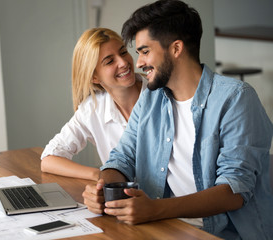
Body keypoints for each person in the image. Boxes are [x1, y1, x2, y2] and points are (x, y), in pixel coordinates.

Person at [82, 1, 273, 239]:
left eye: (145, 51)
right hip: (167, 226)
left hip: (224, 233)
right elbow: (123, 157)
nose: (139, 63)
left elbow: (233, 191)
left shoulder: (236, 99)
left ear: (176, 48)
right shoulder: (150, 98)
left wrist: (155, 210)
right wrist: (104, 187)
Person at [41, 28, 147, 181]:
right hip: (122, 200)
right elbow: (49, 159)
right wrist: (100, 175)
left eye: (123, 52)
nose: (123, 63)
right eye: (110, 61)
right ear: (94, 77)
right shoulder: (92, 108)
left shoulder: (160, 92)